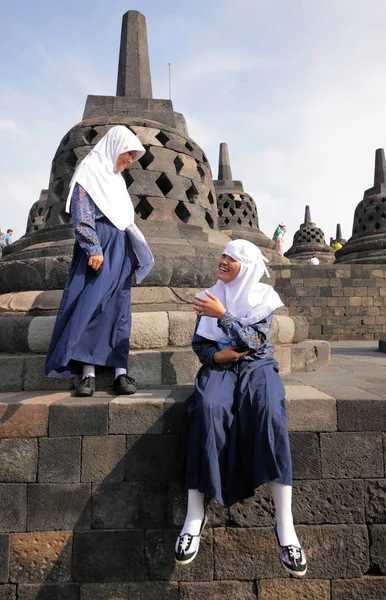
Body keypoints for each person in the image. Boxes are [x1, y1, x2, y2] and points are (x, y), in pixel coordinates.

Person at [175, 239, 307, 577]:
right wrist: (215, 356)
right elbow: (199, 342)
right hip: (220, 366)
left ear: (245, 268)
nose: (223, 261)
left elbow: (256, 340)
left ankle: (285, 525)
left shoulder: (262, 297)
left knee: (269, 412)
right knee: (206, 407)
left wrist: (223, 316)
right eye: (223, 255)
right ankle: (194, 514)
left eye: (231, 259)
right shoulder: (210, 294)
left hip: (258, 365)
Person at [45, 125, 154, 397]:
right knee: (92, 304)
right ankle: (88, 373)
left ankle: (120, 371)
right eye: (127, 155)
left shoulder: (116, 180)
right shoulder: (90, 171)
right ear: (114, 147)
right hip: (99, 246)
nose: (129, 161)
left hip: (121, 246)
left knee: (118, 307)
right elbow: (82, 212)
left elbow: (124, 217)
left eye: (132, 157)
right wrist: (93, 247)